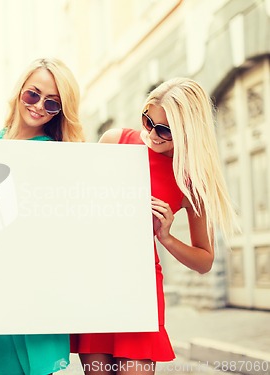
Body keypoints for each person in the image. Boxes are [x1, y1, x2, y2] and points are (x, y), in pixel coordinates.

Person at [70, 77, 237, 374]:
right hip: (96, 282)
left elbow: (204, 261)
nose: (152, 134)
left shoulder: (191, 181)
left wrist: (167, 237)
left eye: (164, 130)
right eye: (148, 120)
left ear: (188, 133)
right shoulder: (114, 142)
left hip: (139, 291)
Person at [0, 58, 85, 375]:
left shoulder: (59, 153)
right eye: (33, 94)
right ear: (19, 92)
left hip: (41, 280)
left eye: (52, 103)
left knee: (40, 369)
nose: (39, 106)